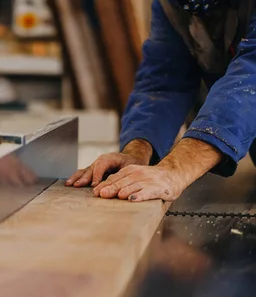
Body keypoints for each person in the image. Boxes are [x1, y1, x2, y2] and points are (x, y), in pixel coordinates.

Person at [66, 0, 256, 202]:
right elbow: (165, 82)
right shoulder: (173, 4)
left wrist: (175, 169)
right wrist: (137, 152)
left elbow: (250, 80)